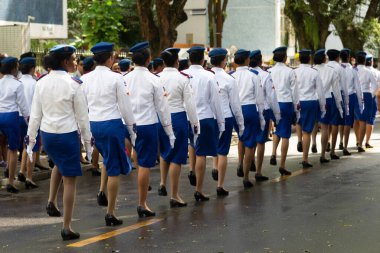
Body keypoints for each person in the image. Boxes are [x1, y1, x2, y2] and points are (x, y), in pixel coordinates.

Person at [26, 44, 92, 240]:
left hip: (48, 135)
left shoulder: (41, 82)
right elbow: (83, 119)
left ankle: (51, 201)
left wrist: (30, 142)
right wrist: (88, 145)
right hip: (66, 134)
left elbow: (35, 115)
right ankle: (67, 226)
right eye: (72, 59)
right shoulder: (74, 84)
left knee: (59, 165)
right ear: (64, 62)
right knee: (70, 180)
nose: (75, 62)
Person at [81, 42, 136, 225]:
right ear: (110, 58)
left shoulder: (85, 78)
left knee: (107, 159)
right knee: (114, 169)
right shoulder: (116, 78)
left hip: (93, 124)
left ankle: (102, 190)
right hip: (112, 123)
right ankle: (110, 212)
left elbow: (83, 106)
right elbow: (125, 107)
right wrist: (131, 129)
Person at [124, 41, 175, 216]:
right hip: (147, 124)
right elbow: (162, 108)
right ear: (148, 60)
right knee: (145, 164)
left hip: (129, 124)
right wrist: (169, 131)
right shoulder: (154, 80)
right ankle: (142, 203)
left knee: (137, 158)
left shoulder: (124, 79)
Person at [157, 47, 199, 206]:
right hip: (177, 117)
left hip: (161, 117)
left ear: (163, 62)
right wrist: (195, 123)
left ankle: (162, 183)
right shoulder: (183, 78)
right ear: (176, 62)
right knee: (177, 156)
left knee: (165, 151)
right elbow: (190, 104)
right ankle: (174, 195)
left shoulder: (157, 77)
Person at [182, 45, 225, 199]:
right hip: (204, 117)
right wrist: (221, 123)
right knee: (202, 154)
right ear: (203, 59)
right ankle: (199, 190)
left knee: (192, 145)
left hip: (186, 117)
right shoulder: (209, 76)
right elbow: (215, 102)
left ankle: (191, 170)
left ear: (189, 60)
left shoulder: (183, 75)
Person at [209, 48, 244, 195]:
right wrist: (241, 124)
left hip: (209, 116)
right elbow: (235, 105)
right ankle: (220, 185)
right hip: (225, 116)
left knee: (213, 146)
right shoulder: (229, 79)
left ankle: (214, 167)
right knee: (223, 151)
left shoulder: (206, 77)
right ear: (224, 61)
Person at [230, 48, 264, 188]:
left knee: (241, 137)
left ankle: (239, 163)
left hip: (235, 109)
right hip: (249, 109)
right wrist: (261, 117)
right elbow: (260, 100)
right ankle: (245, 176)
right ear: (247, 60)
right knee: (250, 143)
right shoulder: (253, 76)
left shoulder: (231, 76)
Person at [249, 49, 281, 180]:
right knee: (261, 141)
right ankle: (258, 171)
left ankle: (248, 162)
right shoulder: (265, 75)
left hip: (250, 109)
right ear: (260, 60)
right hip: (264, 110)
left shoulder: (245, 74)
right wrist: (277, 115)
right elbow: (271, 97)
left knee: (249, 140)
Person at [0, 57, 29, 193]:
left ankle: (6, 170)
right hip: (12, 116)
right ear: (13, 69)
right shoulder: (17, 84)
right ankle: (11, 181)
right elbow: (23, 106)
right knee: (13, 150)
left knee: (3, 146)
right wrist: (28, 120)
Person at [294, 49, 326, 168]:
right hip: (311, 101)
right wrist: (322, 107)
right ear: (309, 59)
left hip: (298, 101)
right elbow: (320, 91)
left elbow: (293, 89)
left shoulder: (294, 72)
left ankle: (299, 140)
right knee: (307, 131)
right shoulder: (314, 72)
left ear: (299, 59)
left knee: (299, 123)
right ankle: (305, 159)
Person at [268, 46, 297, 176]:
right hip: (286, 103)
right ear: (285, 57)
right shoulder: (290, 71)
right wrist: (296, 108)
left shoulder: (269, 71)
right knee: (285, 134)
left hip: (273, 103)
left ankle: (273, 153)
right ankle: (282, 165)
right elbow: (294, 92)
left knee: (277, 129)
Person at [313, 49, 343, 163]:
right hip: (327, 99)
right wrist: (339, 104)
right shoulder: (331, 71)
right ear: (324, 59)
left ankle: (313, 142)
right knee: (325, 128)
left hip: (314, 99)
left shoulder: (312, 70)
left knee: (315, 123)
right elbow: (336, 90)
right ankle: (323, 154)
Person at [18, 57, 40, 189]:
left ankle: (21, 171)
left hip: (19, 117)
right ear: (33, 68)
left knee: (25, 145)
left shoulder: (18, 81)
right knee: (32, 147)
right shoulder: (35, 83)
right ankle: (29, 177)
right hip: (32, 118)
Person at [326, 49, 348, 159]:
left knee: (326, 123)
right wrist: (346, 102)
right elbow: (344, 86)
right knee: (335, 123)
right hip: (336, 95)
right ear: (337, 57)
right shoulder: (340, 68)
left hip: (325, 96)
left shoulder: (324, 67)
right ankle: (333, 151)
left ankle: (326, 144)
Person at [340, 48, 363, 155]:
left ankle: (339, 142)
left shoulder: (337, 69)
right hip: (351, 96)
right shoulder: (353, 70)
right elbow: (358, 87)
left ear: (340, 57)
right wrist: (360, 101)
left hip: (339, 95)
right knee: (348, 123)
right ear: (349, 57)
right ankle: (345, 146)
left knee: (339, 120)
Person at [354, 51, 377, 152]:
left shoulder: (352, 70)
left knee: (356, 119)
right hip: (366, 94)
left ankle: (357, 140)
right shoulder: (368, 71)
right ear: (364, 60)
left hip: (354, 94)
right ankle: (360, 144)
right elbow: (375, 85)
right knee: (363, 120)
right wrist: (371, 94)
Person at [364, 54, 379, 148]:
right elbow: (379, 87)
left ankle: (358, 140)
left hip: (360, 96)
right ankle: (367, 141)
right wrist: (374, 95)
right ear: (372, 61)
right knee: (371, 119)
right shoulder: (376, 72)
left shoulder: (358, 71)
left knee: (359, 120)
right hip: (372, 96)